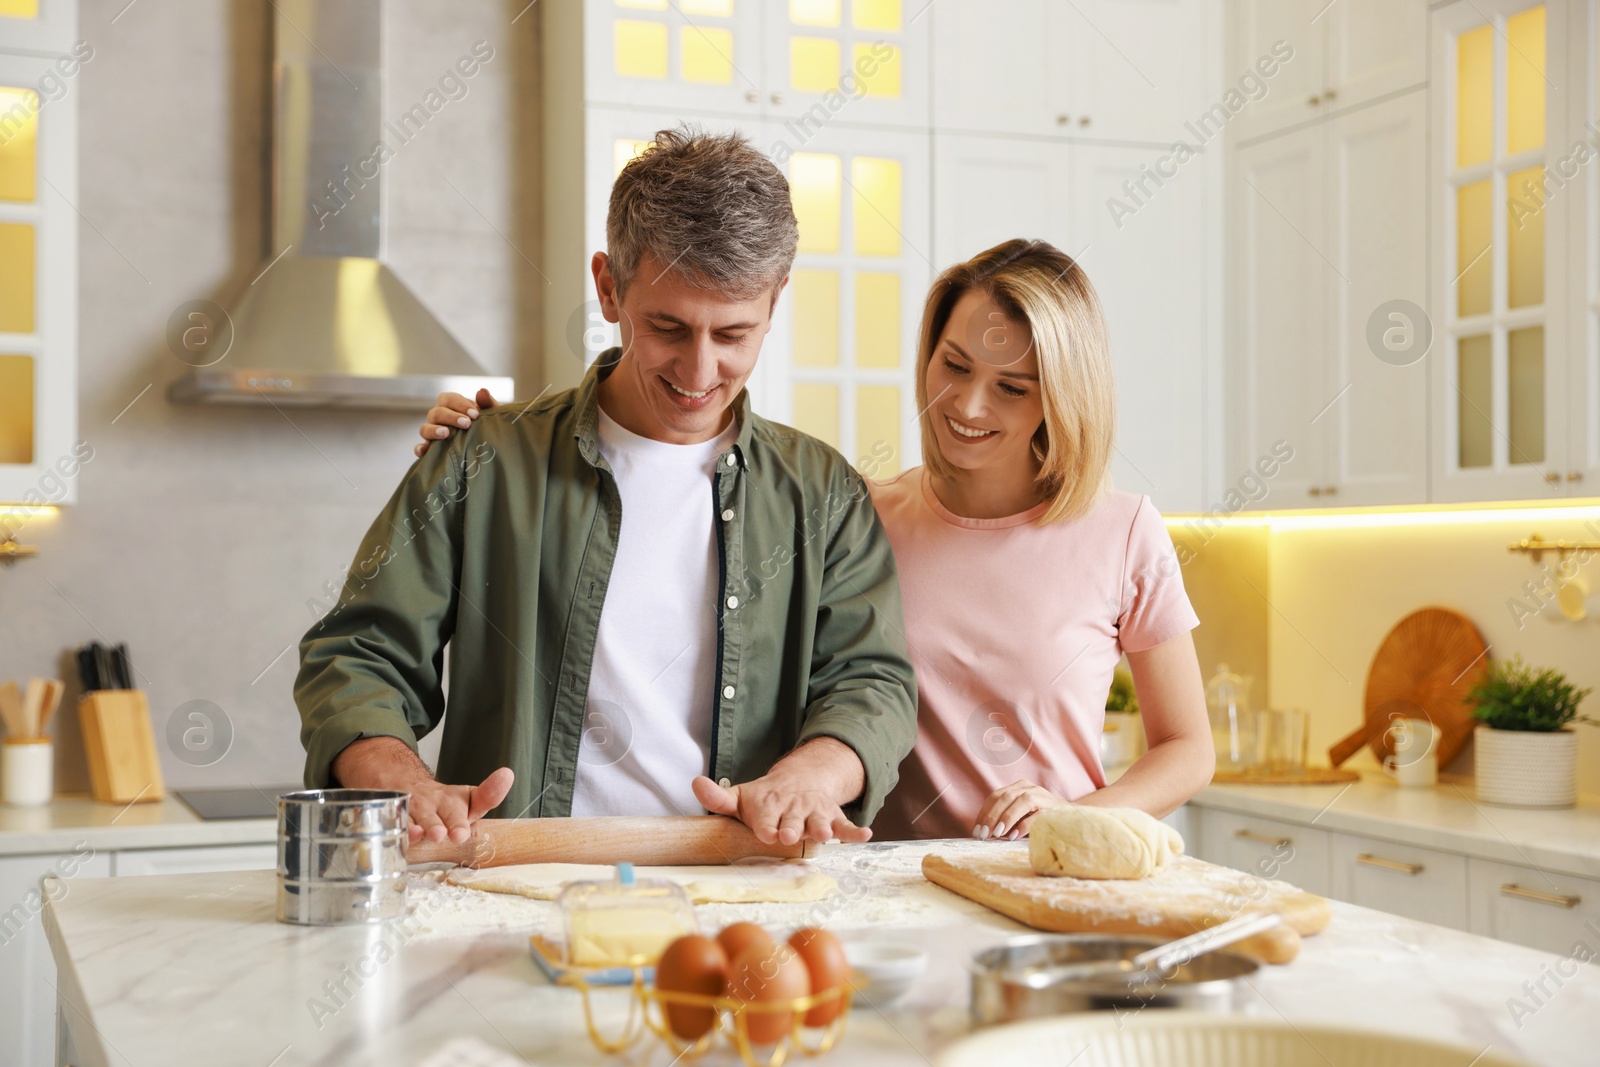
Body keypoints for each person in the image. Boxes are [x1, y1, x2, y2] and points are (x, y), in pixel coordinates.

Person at [419, 239, 1211, 842]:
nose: (967, 404)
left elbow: (1187, 748)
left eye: (1012, 387)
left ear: (1063, 397)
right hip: (890, 889)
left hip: (1053, 871)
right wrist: (488, 437)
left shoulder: (1123, 529)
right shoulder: (861, 515)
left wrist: (1075, 818)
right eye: (954, 363)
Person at [297, 127, 918, 850]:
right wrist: (404, 781)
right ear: (608, 286)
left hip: (739, 890)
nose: (698, 369)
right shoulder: (482, 461)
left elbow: (872, 681)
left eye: (733, 334)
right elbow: (357, 652)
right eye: (668, 327)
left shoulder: (826, 495)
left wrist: (814, 774)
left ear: (776, 302)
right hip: (518, 885)